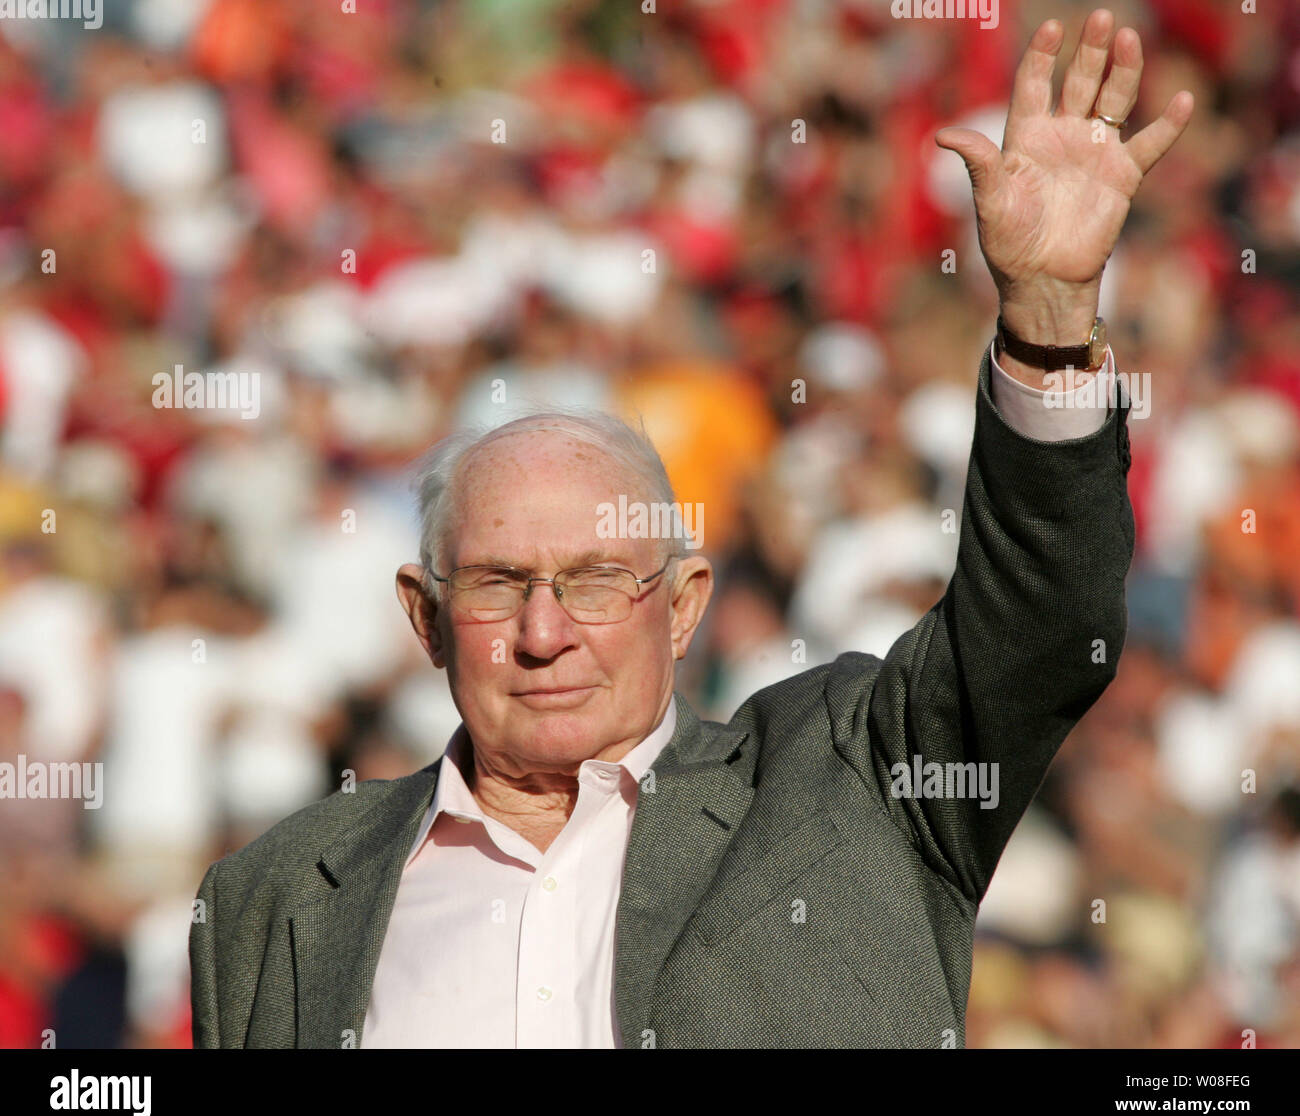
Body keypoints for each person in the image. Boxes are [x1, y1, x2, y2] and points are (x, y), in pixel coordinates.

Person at [189, 10, 1193, 1048]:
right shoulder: (273, 899)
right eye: (497, 582)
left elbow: (1038, 630)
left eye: (592, 580)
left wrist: (1045, 320)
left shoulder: (849, 788)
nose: (544, 632)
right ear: (425, 615)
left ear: (682, 607)